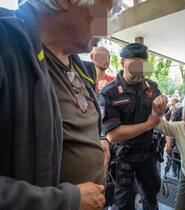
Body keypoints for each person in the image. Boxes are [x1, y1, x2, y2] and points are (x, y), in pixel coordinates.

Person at [0, 0, 114, 209]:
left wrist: (99, 139)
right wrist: (67, 201)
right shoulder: (6, 47)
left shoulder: (79, 65)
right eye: (104, 12)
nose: (106, 28)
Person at [99, 43, 162, 210]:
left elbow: (158, 114)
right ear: (122, 63)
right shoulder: (109, 92)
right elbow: (113, 135)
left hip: (147, 155)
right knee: (123, 204)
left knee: (151, 199)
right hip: (123, 157)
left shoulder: (152, 87)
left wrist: (162, 107)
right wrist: (149, 124)